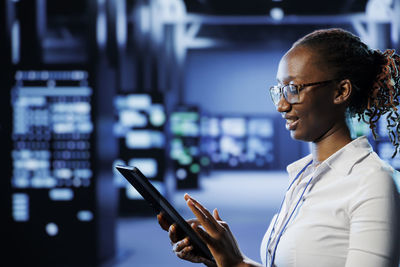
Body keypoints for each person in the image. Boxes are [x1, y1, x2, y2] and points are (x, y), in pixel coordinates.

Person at [158, 28, 400, 267]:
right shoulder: (304, 176)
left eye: (293, 89)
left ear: (340, 91)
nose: (281, 106)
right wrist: (228, 258)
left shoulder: (372, 183)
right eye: (279, 90)